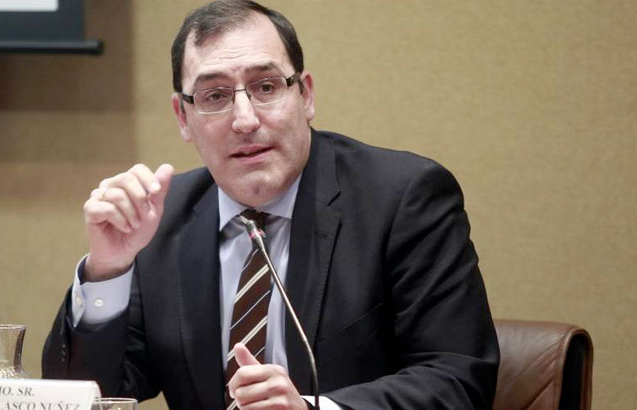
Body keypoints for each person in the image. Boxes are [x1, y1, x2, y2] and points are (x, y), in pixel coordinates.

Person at [43, 1, 500, 409]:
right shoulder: (160, 219)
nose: (245, 120)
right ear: (183, 117)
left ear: (306, 95)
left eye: (265, 87)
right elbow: (88, 396)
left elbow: (457, 380)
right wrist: (108, 271)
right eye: (215, 96)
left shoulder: (402, 199)